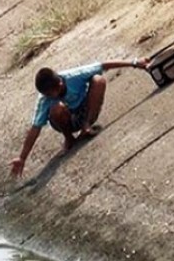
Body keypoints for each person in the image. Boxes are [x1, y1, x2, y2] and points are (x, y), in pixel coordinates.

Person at [10, 59, 147, 177]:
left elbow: (103, 65)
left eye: (51, 93)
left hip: (85, 110)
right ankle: (69, 138)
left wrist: (134, 63)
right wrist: (22, 158)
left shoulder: (73, 76)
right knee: (56, 108)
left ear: (60, 84)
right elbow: (35, 129)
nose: (49, 97)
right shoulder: (44, 100)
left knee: (98, 80)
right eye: (46, 95)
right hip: (66, 120)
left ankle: (86, 126)